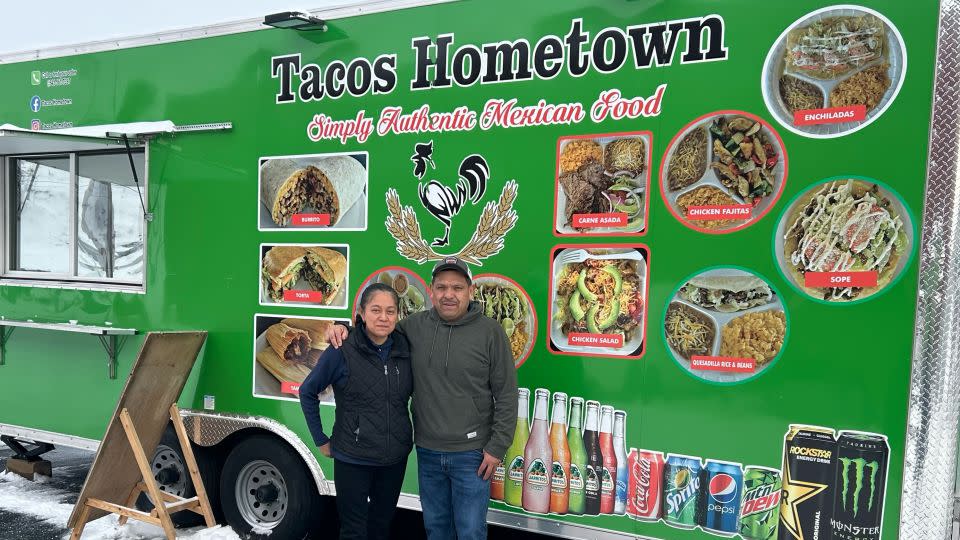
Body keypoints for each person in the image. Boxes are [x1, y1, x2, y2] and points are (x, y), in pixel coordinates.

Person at [328, 256, 518, 540]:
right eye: (441, 287)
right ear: (431, 291)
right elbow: (376, 333)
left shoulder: (491, 333)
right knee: (436, 529)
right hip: (428, 452)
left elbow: (506, 393)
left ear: (470, 291)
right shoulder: (414, 327)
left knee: (470, 531)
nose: (449, 294)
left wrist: (497, 447)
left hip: (473, 455)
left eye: (457, 287)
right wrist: (343, 328)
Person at [300, 283, 413, 540]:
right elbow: (307, 391)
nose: (383, 317)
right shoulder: (342, 350)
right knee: (354, 532)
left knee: (381, 527)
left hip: (394, 459)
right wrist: (320, 439)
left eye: (390, 311)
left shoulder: (404, 349)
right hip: (353, 458)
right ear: (361, 313)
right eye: (375, 310)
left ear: (398, 315)